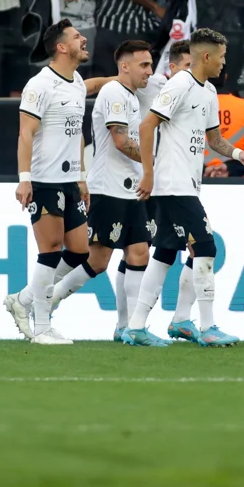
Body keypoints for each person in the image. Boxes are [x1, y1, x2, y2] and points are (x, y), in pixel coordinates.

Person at [126, 28, 244, 347]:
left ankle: (140, 325)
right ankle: (207, 326)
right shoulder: (180, 84)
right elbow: (147, 125)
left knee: (166, 252)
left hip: (188, 183)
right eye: (222, 56)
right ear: (207, 56)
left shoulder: (208, 91)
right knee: (206, 248)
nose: (225, 63)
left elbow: (213, 140)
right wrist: (148, 173)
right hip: (172, 183)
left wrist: (238, 154)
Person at [49, 40, 156, 341]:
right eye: (143, 65)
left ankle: (131, 328)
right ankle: (47, 299)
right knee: (97, 260)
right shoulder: (114, 93)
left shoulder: (133, 96)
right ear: (125, 66)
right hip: (109, 188)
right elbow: (120, 141)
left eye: (150, 64)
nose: (149, 70)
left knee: (138, 253)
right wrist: (154, 164)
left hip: (132, 187)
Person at [4, 20, 92, 345]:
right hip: (43, 180)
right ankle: (41, 327)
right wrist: (24, 179)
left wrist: (82, 177)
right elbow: (25, 132)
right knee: (51, 250)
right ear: (61, 47)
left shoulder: (78, 82)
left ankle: (23, 300)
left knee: (79, 250)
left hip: (70, 181)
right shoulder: (40, 85)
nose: (83, 39)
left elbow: (78, 134)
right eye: (76, 37)